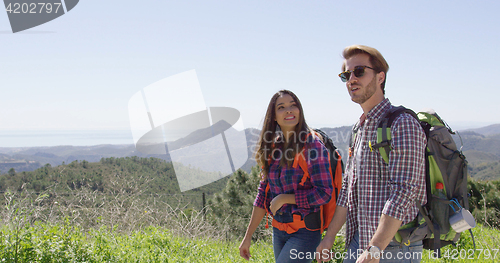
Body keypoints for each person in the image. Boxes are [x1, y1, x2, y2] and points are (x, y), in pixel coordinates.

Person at [315, 45, 426, 263]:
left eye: (359, 72)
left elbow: (404, 192)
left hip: (395, 247)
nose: (351, 80)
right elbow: (348, 188)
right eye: (346, 75)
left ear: (380, 77)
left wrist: (374, 250)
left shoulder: (402, 124)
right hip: (359, 241)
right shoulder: (359, 127)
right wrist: (329, 238)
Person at [239, 89, 333, 263]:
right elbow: (263, 194)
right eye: (281, 107)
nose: (289, 110)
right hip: (279, 229)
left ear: (300, 110)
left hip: (305, 232)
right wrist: (248, 236)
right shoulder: (273, 147)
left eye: (293, 105)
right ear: (274, 116)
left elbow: (324, 193)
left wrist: (285, 198)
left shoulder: (313, 145)